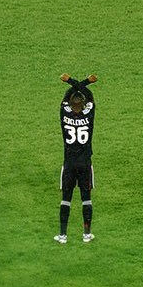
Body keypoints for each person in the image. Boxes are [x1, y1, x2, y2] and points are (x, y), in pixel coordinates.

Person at [54, 74, 98, 244]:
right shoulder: (89, 113)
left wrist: (70, 82)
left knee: (66, 198)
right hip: (85, 163)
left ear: (71, 104)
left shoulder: (64, 113)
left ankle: (63, 235)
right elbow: (89, 95)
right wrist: (86, 82)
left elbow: (67, 95)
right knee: (86, 198)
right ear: (84, 104)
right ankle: (87, 234)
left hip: (69, 164)